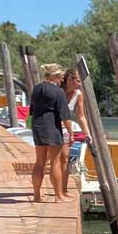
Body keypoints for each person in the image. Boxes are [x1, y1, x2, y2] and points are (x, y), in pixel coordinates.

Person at [29, 63, 72, 202]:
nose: (61, 82)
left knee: (39, 162)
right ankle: (58, 196)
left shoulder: (36, 89)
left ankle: (36, 195)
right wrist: (71, 132)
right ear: (56, 77)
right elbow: (64, 116)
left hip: (37, 126)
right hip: (52, 127)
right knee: (55, 162)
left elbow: (32, 110)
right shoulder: (58, 92)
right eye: (61, 78)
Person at [60, 69, 89, 192]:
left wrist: (87, 133)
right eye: (78, 81)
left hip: (66, 129)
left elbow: (81, 116)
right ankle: (57, 190)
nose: (80, 84)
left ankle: (63, 189)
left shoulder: (78, 94)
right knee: (51, 159)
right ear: (69, 79)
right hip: (51, 127)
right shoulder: (58, 91)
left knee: (65, 158)